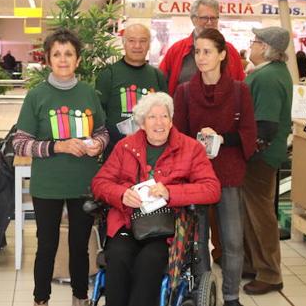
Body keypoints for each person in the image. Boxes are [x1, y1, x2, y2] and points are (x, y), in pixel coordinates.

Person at [91, 92, 221, 306]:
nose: (159, 122)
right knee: (118, 257)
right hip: (127, 222)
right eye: (152, 117)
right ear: (142, 123)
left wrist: (171, 193)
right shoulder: (125, 147)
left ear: (171, 121)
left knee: (149, 262)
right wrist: (122, 195)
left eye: (164, 116)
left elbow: (211, 189)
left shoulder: (190, 149)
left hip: (167, 228)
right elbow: (100, 183)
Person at [13, 29, 109, 306]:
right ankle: (40, 299)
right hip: (48, 186)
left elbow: (102, 131)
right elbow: (20, 144)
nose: (63, 59)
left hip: (83, 184)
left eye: (68, 54)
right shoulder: (37, 95)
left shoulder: (88, 94)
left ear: (78, 60)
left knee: (80, 247)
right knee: (46, 247)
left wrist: (98, 145)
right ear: (48, 59)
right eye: (57, 54)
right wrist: (59, 146)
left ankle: (81, 297)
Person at [173, 28, 257, 306]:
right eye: (197, 51)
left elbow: (248, 132)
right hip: (195, 177)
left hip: (229, 173)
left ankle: (231, 296)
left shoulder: (239, 91)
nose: (201, 57)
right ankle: (202, 293)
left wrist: (222, 139)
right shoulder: (184, 92)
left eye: (207, 51)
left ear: (223, 54)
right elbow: (177, 135)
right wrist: (196, 143)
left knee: (233, 240)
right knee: (198, 242)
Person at [242, 26, 293, 295]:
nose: (250, 46)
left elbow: (266, 126)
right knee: (252, 213)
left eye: (254, 42)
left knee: (261, 215)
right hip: (261, 155)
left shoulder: (268, 78)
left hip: (260, 157)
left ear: (265, 48)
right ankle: (254, 263)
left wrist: (248, 153)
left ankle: (271, 273)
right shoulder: (269, 73)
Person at [96, 23, 168, 156]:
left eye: (143, 41)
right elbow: (99, 119)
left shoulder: (158, 76)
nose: (137, 46)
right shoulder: (108, 75)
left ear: (149, 44)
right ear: (123, 43)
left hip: (150, 155)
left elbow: (166, 116)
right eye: (132, 41)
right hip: (116, 154)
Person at [159, 0, 245, 96]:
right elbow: (161, 84)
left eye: (213, 18)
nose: (209, 22)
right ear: (193, 20)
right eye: (204, 18)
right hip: (184, 110)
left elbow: (241, 86)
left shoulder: (230, 51)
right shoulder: (176, 50)